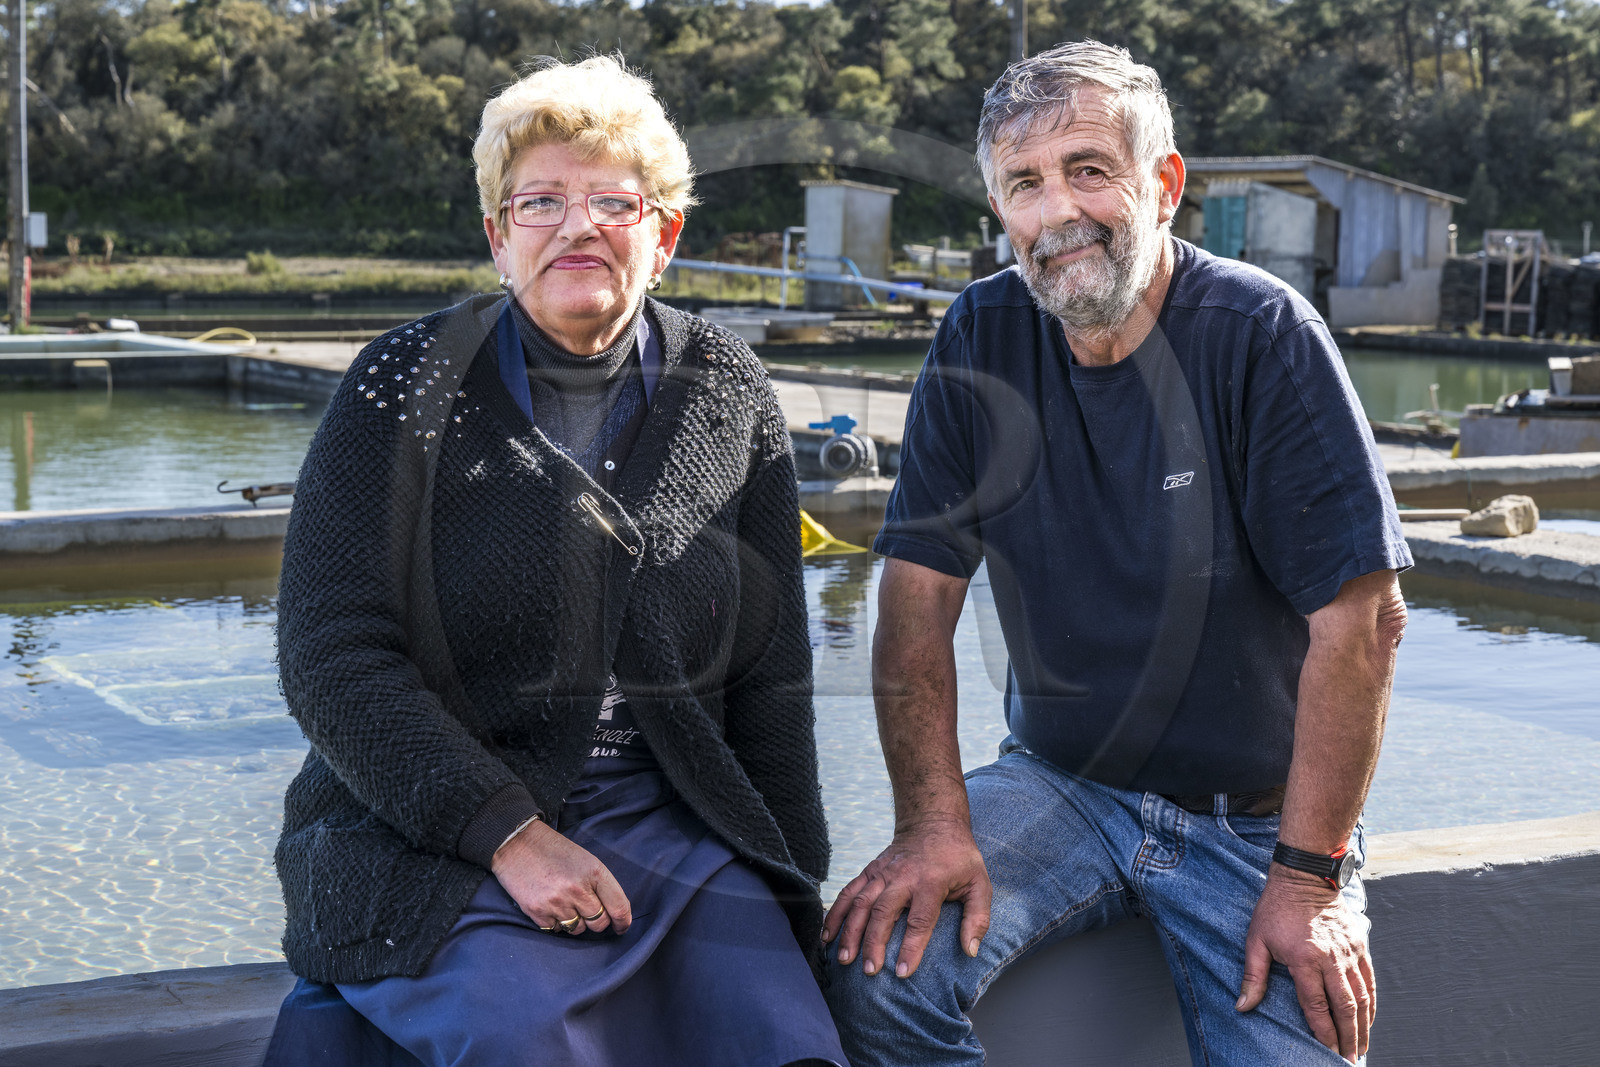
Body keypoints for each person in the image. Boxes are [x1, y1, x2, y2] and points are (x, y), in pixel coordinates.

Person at [822, 40, 1410, 1067]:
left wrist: (1309, 878)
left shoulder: (1261, 335)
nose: (1057, 212)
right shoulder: (980, 333)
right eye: (1025, 183)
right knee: (877, 975)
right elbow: (914, 604)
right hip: (1062, 784)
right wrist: (929, 823)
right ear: (1001, 210)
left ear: (1163, 183)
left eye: (1089, 169)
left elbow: (1360, 624)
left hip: (1259, 832)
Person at [263, 54, 847, 1067]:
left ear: (663, 235)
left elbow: (770, 671)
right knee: (521, 1037)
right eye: (540, 201)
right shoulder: (400, 385)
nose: (576, 226)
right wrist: (508, 833)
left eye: (612, 201)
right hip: (431, 819)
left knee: (790, 1037)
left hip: (672, 813)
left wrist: (793, 880)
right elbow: (329, 654)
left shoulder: (731, 390)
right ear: (498, 236)